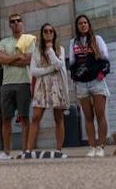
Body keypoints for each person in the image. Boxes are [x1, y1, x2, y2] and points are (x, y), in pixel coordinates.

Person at [67, 14, 110, 157]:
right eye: (80, 23)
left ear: (89, 25)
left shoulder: (97, 39)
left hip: (96, 81)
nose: (83, 25)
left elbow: (105, 59)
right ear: (77, 26)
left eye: (85, 22)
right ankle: (91, 147)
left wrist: (102, 74)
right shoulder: (73, 42)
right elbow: (72, 63)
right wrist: (74, 76)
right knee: (88, 116)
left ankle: (101, 147)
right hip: (81, 84)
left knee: (100, 114)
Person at [25, 23, 70, 159]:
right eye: (45, 31)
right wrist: (49, 69)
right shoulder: (37, 51)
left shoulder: (59, 49)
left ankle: (58, 149)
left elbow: (59, 65)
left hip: (57, 85)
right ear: (42, 34)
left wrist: (50, 51)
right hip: (42, 86)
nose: (48, 33)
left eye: (51, 31)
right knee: (36, 117)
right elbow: (33, 71)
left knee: (58, 118)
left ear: (54, 33)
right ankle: (28, 150)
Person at [0, 12, 35, 159]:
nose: (16, 23)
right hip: (7, 84)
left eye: (18, 20)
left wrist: (9, 59)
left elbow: (29, 59)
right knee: (6, 119)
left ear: (22, 23)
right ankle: (6, 152)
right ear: (10, 25)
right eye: (13, 21)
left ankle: (25, 151)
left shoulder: (30, 40)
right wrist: (18, 56)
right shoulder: (4, 42)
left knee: (24, 118)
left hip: (24, 82)